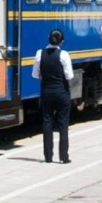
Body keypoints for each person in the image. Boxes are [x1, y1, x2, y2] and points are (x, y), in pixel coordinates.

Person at [32, 28, 74, 164]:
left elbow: (35, 74)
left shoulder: (40, 54)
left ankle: (48, 157)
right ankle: (64, 157)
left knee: (47, 122)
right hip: (62, 92)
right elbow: (69, 76)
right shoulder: (64, 55)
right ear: (62, 41)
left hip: (46, 92)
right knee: (63, 124)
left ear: (48, 38)